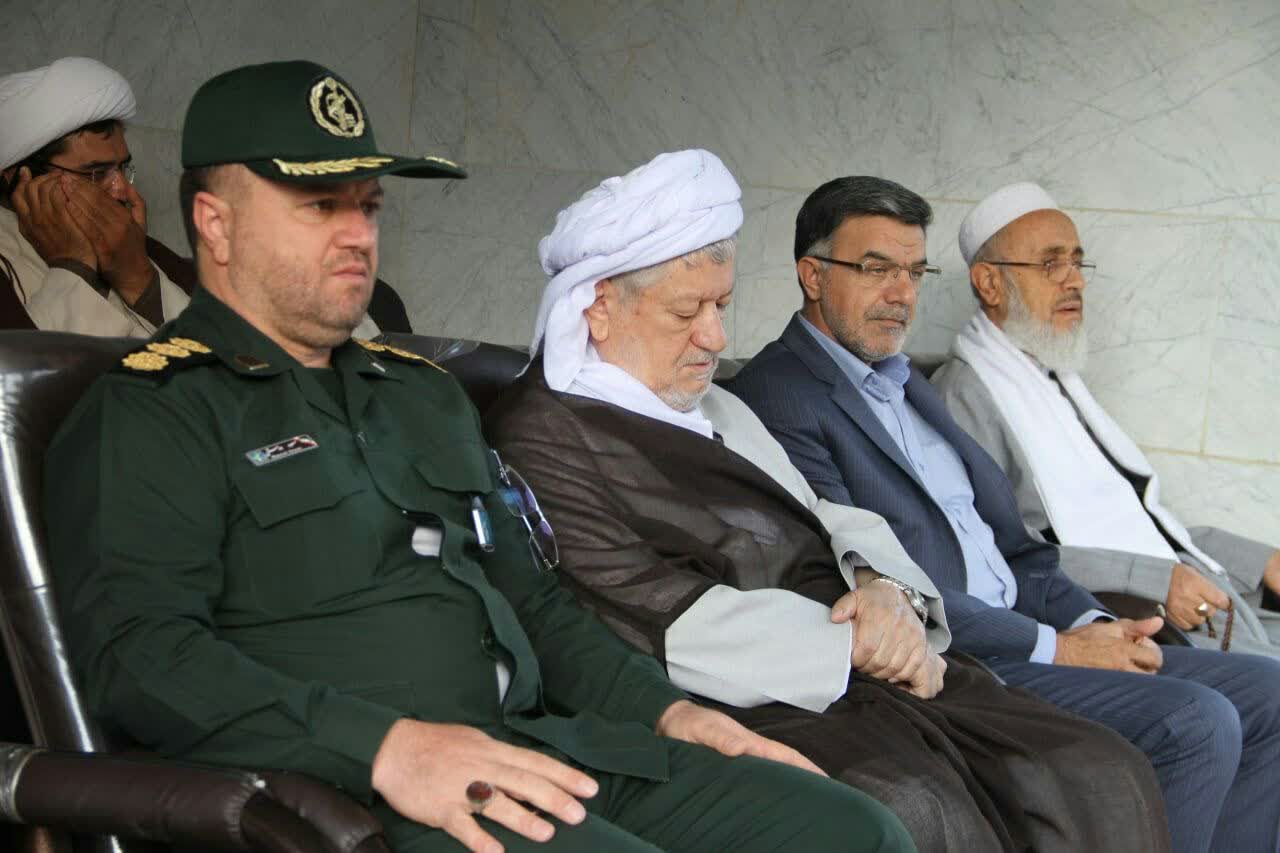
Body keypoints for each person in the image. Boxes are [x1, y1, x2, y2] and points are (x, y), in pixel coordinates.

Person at [43, 62, 914, 853]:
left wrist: (669, 712)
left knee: (854, 829)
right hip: (347, 795)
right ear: (216, 224)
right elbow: (140, 657)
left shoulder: (419, 395)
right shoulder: (156, 410)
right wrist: (383, 747)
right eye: (319, 206)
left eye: (368, 205)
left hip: (533, 747)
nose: (357, 235)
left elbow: (534, 602)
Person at [484, 150, 1170, 853]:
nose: (715, 338)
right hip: (749, 692)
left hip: (864, 663)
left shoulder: (710, 401)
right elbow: (643, 609)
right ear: (598, 308)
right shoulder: (544, 433)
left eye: (721, 306)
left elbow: (825, 512)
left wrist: (886, 592)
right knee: (921, 809)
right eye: (687, 311)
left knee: (1098, 768)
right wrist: (854, 643)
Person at [729, 175, 1280, 853]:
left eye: (914, 271)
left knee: (1269, 690)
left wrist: (1095, 626)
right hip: (961, 659)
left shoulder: (908, 384)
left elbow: (1019, 551)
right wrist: (1059, 647)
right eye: (876, 269)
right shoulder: (781, 394)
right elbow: (866, 579)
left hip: (1034, 628)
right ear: (812, 274)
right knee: (1196, 721)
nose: (902, 293)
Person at [931, 181, 1280, 658]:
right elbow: (1004, 555)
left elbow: (1142, 525)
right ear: (989, 283)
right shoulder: (964, 396)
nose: (1074, 281)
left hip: (1194, 597)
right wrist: (1154, 580)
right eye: (1051, 263)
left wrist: (1261, 562)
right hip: (1123, 619)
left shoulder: (1054, 378)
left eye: (1077, 262)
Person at [0, 56, 189, 334]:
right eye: (96, 173)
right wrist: (73, 266)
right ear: (20, 176)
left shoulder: (132, 243)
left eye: (122, 168)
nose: (123, 190)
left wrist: (137, 276)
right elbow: (33, 359)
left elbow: (221, 350)